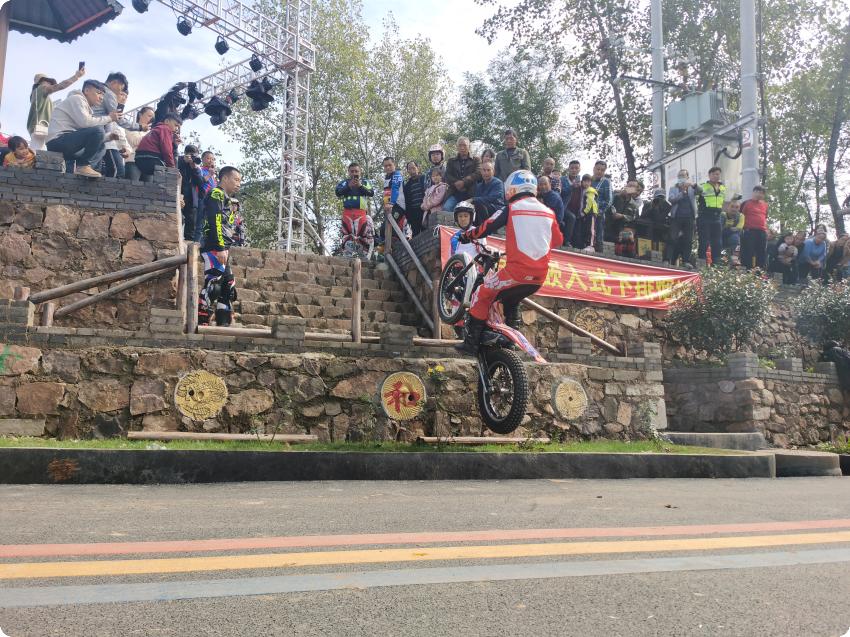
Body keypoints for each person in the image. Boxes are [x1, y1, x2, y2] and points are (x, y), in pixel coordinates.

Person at [456, 170, 562, 354]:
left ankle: (470, 344)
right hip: (538, 278)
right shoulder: (549, 212)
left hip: (515, 274)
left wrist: (467, 236)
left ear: (512, 188)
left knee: (481, 293)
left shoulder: (512, 208)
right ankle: (511, 343)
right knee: (512, 300)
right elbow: (558, 240)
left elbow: (486, 227)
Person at [45, 79, 119, 177]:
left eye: (103, 95)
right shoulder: (77, 99)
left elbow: (84, 132)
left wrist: (108, 137)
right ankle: (83, 166)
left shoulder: (85, 107)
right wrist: (109, 118)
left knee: (101, 147)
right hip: (57, 141)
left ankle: (84, 170)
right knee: (98, 130)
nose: (101, 98)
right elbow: (85, 123)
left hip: (66, 141)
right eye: (98, 93)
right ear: (87, 91)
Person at [199, 166, 242, 326]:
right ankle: (201, 321)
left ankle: (223, 323)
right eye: (236, 179)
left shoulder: (226, 198)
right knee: (213, 285)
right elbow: (215, 221)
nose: (238, 184)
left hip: (223, 247)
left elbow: (226, 224)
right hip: (214, 246)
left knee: (228, 286)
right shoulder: (216, 193)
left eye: (240, 181)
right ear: (224, 178)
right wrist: (219, 247)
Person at [28, 68, 86, 150]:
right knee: (38, 152)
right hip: (40, 127)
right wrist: (76, 76)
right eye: (47, 81)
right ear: (40, 82)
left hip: (41, 128)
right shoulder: (40, 89)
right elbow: (60, 86)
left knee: (41, 152)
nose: (50, 84)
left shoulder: (42, 97)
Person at [335, 162, 375, 258]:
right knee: (347, 233)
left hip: (361, 212)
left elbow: (371, 193)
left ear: (360, 172)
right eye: (352, 171)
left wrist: (360, 186)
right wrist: (349, 186)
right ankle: (347, 254)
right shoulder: (344, 182)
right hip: (347, 212)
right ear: (348, 172)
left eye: (356, 171)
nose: (354, 173)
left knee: (363, 233)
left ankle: (364, 255)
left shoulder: (365, 182)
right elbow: (338, 192)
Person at [667, 168, 699, 266]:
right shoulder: (673, 188)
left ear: (687, 177)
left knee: (688, 240)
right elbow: (671, 199)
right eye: (679, 176)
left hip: (689, 217)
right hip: (676, 217)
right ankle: (667, 259)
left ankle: (686, 261)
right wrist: (682, 192)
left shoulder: (692, 188)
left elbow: (700, 191)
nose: (681, 177)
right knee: (672, 238)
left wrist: (693, 185)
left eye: (683, 176)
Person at [134, 113, 181, 180]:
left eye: (178, 127)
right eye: (176, 125)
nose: (177, 129)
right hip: (152, 159)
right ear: (167, 121)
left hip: (139, 159)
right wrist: (172, 168)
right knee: (169, 178)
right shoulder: (165, 128)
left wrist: (173, 143)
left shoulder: (156, 128)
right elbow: (167, 150)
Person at [697, 166, 726, 265]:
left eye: (718, 174)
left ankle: (716, 263)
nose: (716, 176)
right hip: (705, 216)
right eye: (714, 174)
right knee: (704, 240)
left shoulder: (722, 187)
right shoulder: (703, 186)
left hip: (717, 217)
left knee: (717, 242)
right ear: (709, 175)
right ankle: (701, 261)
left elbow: (723, 201)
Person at [443, 137, 480, 212]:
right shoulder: (451, 161)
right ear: (457, 147)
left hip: (471, 193)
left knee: (471, 212)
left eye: (464, 145)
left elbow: (478, 173)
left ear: (469, 146)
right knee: (447, 208)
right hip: (454, 192)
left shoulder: (476, 160)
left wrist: (464, 182)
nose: (462, 148)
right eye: (460, 145)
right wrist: (456, 183)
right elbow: (447, 175)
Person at [178, 144, 205, 241]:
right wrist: (183, 162)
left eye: (195, 156)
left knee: (191, 222)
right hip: (178, 194)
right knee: (178, 218)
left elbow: (200, 183)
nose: (193, 158)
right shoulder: (179, 160)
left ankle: (189, 242)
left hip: (191, 197)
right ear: (186, 153)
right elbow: (173, 169)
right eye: (191, 155)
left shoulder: (196, 167)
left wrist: (195, 169)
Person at [538, 175, 573, 248]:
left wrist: (540, 204)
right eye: (541, 184)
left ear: (550, 184)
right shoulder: (541, 195)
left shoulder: (554, 196)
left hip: (554, 225)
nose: (543, 186)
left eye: (545, 184)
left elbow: (546, 213)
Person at [739, 185, 768, 270]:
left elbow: (765, 217)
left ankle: (759, 272)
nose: (759, 194)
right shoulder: (746, 203)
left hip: (762, 231)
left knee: (761, 253)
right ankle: (747, 271)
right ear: (753, 192)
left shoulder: (765, 205)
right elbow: (740, 216)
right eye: (757, 192)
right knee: (748, 252)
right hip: (749, 231)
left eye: (761, 193)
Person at [124, 106, 154, 181]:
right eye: (149, 116)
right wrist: (149, 136)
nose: (151, 119)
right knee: (131, 186)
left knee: (148, 187)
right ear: (140, 115)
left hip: (148, 164)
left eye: (152, 117)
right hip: (133, 161)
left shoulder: (151, 132)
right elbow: (134, 141)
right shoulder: (130, 126)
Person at [381, 156, 407, 237]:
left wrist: (391, 203)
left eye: (390, 165)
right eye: (386, 166)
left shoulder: (397, 175)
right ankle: (393, 241)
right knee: (385, 228)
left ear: (394, 165)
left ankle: (398, 240)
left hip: (398, 206)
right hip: (389, 207)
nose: (388, 167)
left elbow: (395, 189)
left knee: (387, 226)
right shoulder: (387, 177)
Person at [590, 161, 613, 252]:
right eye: (598, 169)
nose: (599, 171)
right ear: (594, 169)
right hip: (586, 210)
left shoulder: (606, 182)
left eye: (602, 170)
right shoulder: (589, 180)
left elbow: (609, 200)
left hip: (599, 212)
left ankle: (598, 249)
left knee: (598, 232)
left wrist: (600, 211)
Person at [403, 161, 427, 236]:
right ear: (408, 171)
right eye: (409, 169)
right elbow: (406, 201)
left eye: (413, 168)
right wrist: (408, 216)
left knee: (426, 232)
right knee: (415, 234)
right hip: (413, 213)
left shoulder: (425, 179)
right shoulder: (407, 186)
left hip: (425, 210)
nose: (412, 170)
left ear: (418, 168)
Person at [578, 174, 600, 252]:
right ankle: (586, 244)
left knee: (591, 229)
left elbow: (589, 202)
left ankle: (591, 245)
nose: (586, 183)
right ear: (582, 182)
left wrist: (584, 212)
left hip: (591, 212)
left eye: (588, 181)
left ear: (591, 183)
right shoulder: (584, 190)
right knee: (586, 229)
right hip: (587, 213)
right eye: (585, 181)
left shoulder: (590, 191)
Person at [722, 200, 745, 265]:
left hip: (734, 237)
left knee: (735, 237)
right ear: (728, 207)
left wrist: (727, 228)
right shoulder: (723, 215)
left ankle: (735, 259)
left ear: (739, 208)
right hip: (722, 237)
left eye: (737, 207)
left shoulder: (741, 216)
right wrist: (732, 229)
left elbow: (739, 228)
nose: (734, 209)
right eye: (732, 206)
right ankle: (722, 260)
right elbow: (719, 229)